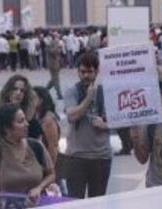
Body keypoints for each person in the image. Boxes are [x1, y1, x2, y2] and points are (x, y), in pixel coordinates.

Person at [0, 104, 57, 199]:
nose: (26, 124)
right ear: (7, 128)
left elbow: (51, 174)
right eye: (21, 121)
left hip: (37, 208)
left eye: (25, 120)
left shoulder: (36, 146)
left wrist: (39, 188)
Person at [58, 52, 112, 198]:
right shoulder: (72, 91)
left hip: (101, 158)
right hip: (76, 157)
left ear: (97, 71)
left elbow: (119, 121)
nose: (86, 76)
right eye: (82, 72)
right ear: (78, 72)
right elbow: (71, 115)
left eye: (90, 72)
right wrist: (88, 98)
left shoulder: (105, 93)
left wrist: (105, 125)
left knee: (97, 203)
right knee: (75, 204)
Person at [32, 85, 61, 165]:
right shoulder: (35, 116)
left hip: (48, 162)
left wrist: (50, 168)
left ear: (41, 100)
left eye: (32, 98)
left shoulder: (48, 120)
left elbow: (53, 147)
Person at [47, 33, 63, 98]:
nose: (58, 37)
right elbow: (51, 51)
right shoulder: (51, 43)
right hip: (52, 63)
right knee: (56, 79)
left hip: (56, 63)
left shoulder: (57, 43)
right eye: (57, 36)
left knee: (54, 79)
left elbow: (58, 53)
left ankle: (45, 89)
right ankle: (59, 94)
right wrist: (57, 47)